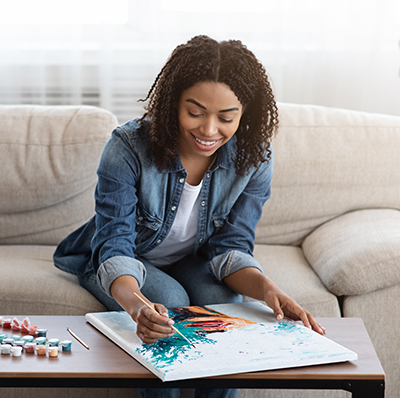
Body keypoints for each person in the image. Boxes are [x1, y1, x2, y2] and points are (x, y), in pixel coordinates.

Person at [54, 35, 325, 398]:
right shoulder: (128, 148)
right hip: (121, 260)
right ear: (172, 103)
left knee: (223, 307)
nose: (209, 130)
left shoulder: (254, 157)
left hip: (192, 261)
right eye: (195, 112)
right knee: (172, 301)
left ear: (245, 113)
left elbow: (231, 246)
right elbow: (114, 243)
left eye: (226, 118)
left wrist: (269, 290)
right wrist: (137, 308)